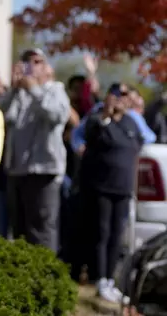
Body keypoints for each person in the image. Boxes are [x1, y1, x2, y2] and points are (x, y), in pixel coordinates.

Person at [78, 83, 143, 302]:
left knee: (116, 235)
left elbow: (139, 143)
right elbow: (89, 135)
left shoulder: (131, 122)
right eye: (117, 95)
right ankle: (99, 277)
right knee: (102, 234)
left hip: (123, 189)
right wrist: (106, 114)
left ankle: (110, 280)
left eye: (125, 96)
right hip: (101, 188)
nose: (121, 99)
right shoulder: (98, 119)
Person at [2, 48, 70, 252]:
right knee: (20, 230)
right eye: (26, 60)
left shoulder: (55, 90)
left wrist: (34, 90)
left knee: (41, 229)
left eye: (37, 61)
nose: (31, 65)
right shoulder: (18, 94)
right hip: (17, 170)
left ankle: (45, 279)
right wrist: (14, 90)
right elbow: (1, 115)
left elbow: (57, 115)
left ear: (47, 68)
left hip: (44, 171)